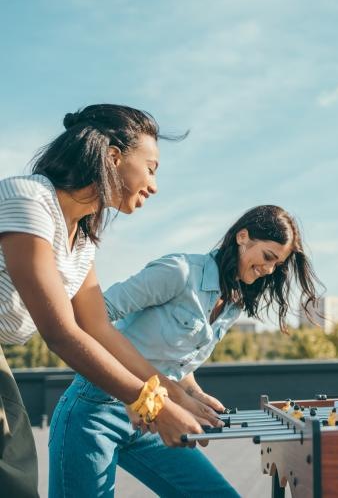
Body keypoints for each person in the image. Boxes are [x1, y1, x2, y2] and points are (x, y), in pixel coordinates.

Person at [0, 104, 210, 497]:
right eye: (151, 168)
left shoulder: (80, 242)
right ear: (114, 157)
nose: (154, 185)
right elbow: (61, 332)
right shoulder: (28, 199)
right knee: (12, 473)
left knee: (13, 469)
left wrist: (172, 392)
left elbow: (97, 330)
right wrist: (154, 406)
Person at [49, 204, 321, 497]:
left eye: (277, 264)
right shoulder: (179, 272)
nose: (269, 269)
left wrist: (194, 393)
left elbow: (177, 362)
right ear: (243, 236)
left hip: (154, 417)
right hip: (96, 410)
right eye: (268, 257)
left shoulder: (233, 303)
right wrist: (171, 397)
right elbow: (92, 320)